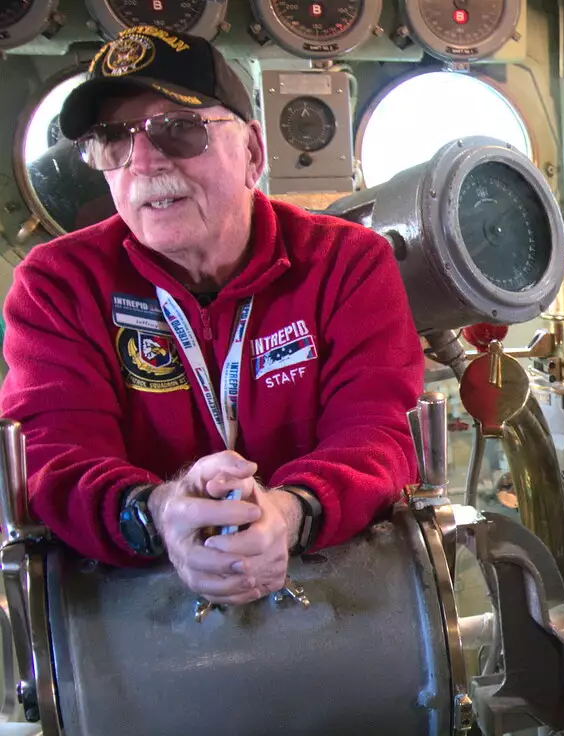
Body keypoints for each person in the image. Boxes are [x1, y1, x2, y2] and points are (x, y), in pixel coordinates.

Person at [0, 26, 422, 605]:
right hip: (129, 612)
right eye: (113, 139)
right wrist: (158, 515)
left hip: (335, 586)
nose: (143, 161)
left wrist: (290, 512)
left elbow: (377, 434)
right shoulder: (59, 284)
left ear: (252, 152)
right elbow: (54, 457)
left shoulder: (346, 263)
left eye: (178, 129)